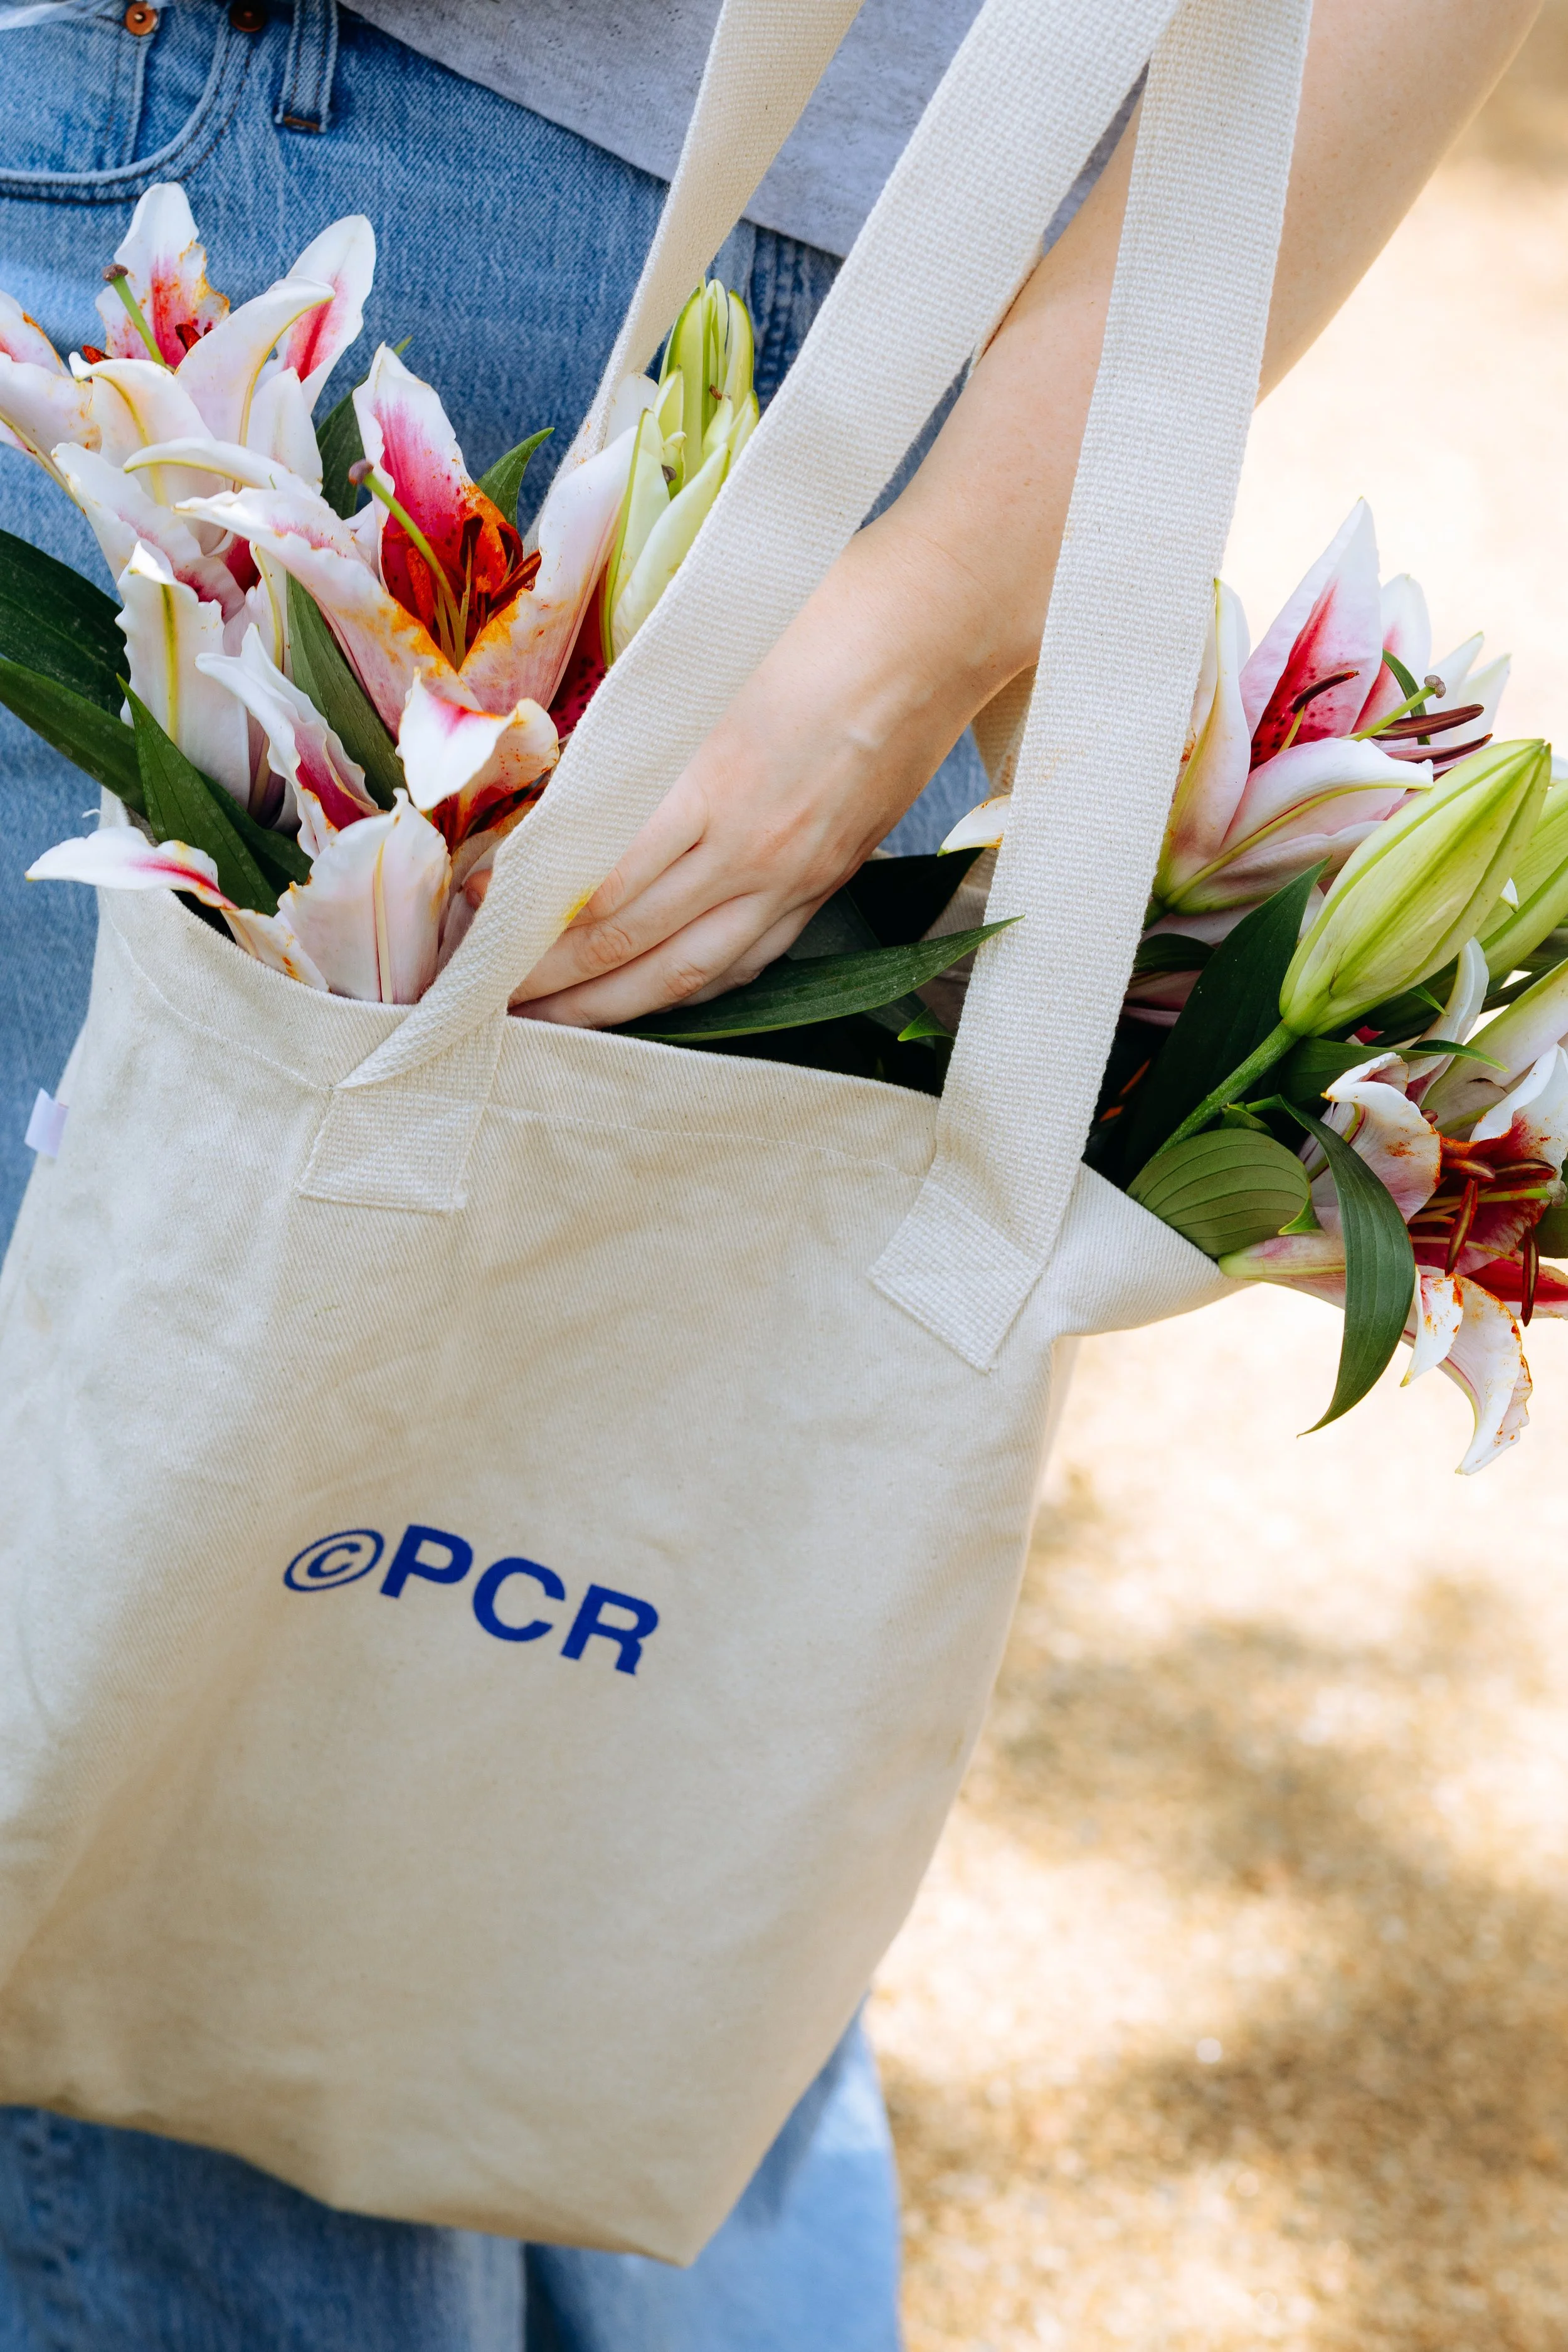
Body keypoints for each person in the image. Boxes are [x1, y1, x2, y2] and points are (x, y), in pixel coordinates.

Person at [0, 0, 1537, 2343]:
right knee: (633, 1751)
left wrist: (933, 610)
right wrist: (952, 585)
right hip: (927, 292)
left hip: (336, 144)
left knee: (161, 1767)